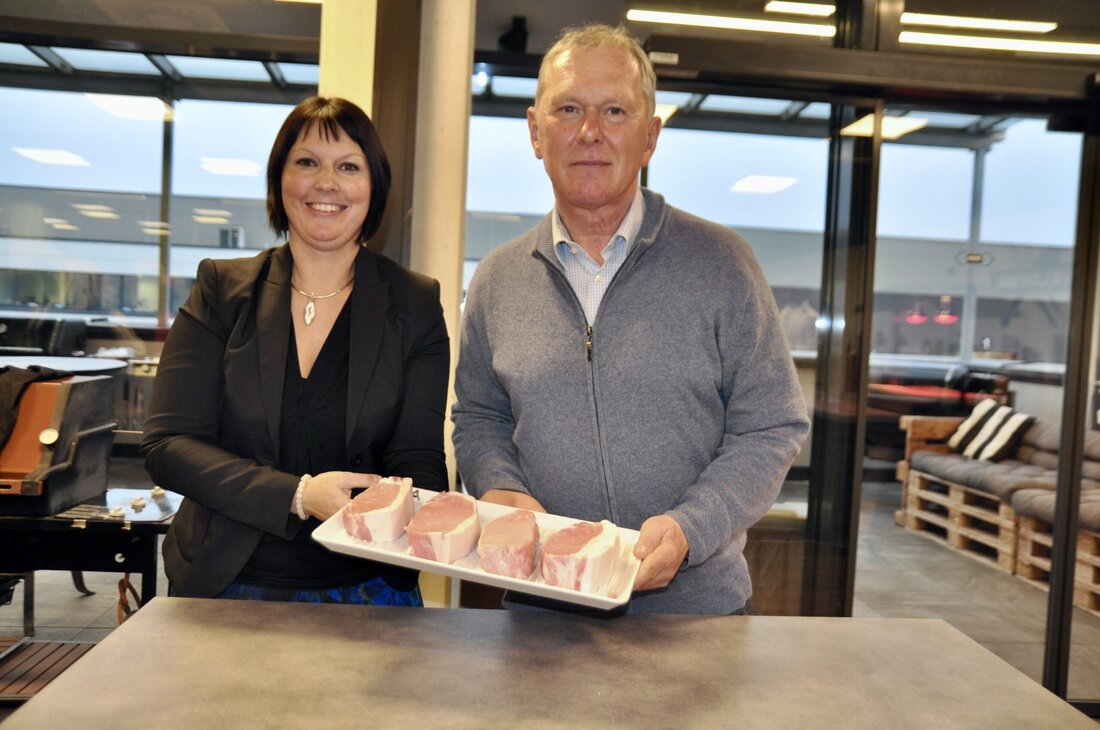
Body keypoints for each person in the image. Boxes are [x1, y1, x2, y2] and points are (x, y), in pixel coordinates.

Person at [451, 25, 809, 615]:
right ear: (536, 132)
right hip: (544, 610)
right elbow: (479, 416)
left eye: (615, 110)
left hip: (698, 616)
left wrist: (693, 526)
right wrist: (501, 486)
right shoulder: (497, 278)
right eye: (568, 109)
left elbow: (771, 425)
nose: (590, 131)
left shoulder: (722, 264)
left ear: (650, 137)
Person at [143, 96, 449, 605]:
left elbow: (418, 458)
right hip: (225, 584)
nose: (326, 183)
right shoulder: (222, 289)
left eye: (348, 167)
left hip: (366, 587)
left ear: (374, 187)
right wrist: (299, 495)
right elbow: (168, 445)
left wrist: (430, 515)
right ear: (279, 180)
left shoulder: (414, 303)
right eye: (307, 162)